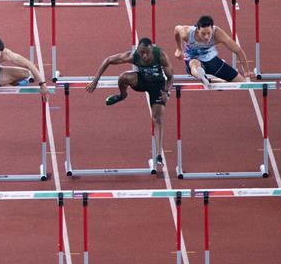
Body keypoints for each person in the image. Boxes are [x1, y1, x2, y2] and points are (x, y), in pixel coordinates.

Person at [86, 38, 173, 167]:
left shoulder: (160, 55)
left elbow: (170, 77)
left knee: (157, 118)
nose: (144, 56)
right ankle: (122, 95)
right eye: (142, 52)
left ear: (152, 50)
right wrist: (95, 80)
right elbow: (108, 60)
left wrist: (167, 92)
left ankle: (159, 155)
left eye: (147, 53)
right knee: (123, 77)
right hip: (141, 81)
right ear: (138, 50)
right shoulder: (133, 55)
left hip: (157, 85)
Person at [173, 15, 252, 86]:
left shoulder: (218, 34)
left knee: (242, 82)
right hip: (192, 59)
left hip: (210, 60)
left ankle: (211, 81)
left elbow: (237, 50)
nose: (206, 37)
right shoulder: (186, 33)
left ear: (212, 29)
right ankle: (200, 75)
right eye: (203, 34)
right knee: (194, 64)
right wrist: (179, 49)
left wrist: (246, 70)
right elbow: (176, 29)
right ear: (198, 30)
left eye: (208, 33)